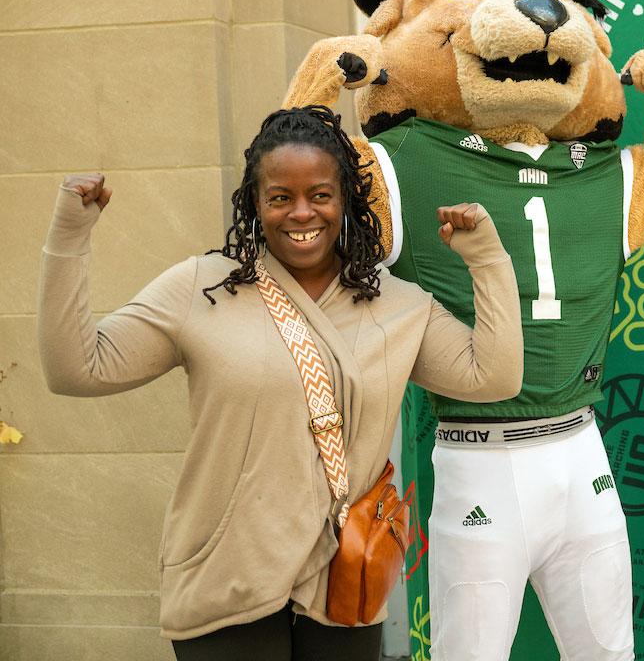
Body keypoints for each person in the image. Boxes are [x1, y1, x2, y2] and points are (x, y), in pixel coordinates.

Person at [37, 105, 522, 660]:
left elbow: (495, 376)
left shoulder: (399, 306)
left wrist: (486, 259)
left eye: (320, 194)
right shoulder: (203, 287)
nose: (300, 213)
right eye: (279, 197)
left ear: (347, 201)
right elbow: (76, 369)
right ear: (255, 203)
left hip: (344, 576)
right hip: (228, 574)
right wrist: (70, 237)